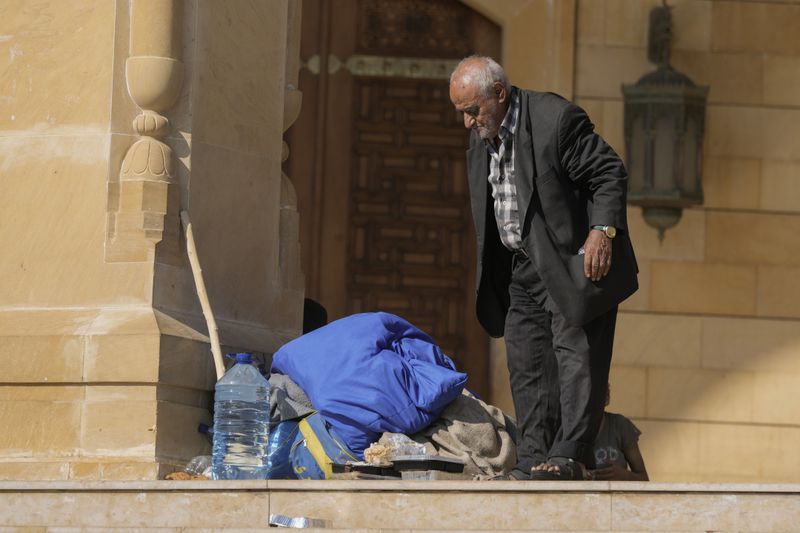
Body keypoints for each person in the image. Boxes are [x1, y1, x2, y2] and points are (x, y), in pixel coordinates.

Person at [449, 56, 638, 480]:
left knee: (577, 358)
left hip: (571, 263)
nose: (467, 123)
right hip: (521, 268)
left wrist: (602, 231)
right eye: (461, 113)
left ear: (499, 93)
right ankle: (534, 455)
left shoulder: (556, 120)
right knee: (526, 362)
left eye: (472, 110)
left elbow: (609, 171)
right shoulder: (482, 138)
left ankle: (570, 452)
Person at [587, 384, 648, 481]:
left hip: (618, 495)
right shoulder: (569, 427)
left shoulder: (620, 425)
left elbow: (644, 479)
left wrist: (624, 476)